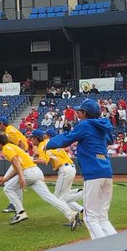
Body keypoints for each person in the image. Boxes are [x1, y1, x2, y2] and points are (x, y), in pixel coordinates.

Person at [47, 98, 117, 239]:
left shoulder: (85, 125)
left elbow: (67, 138)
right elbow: (110, 139)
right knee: (102, 217)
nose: (78, 113)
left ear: (85, 113)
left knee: (90, 218)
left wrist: (50, 143)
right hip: (106, 172)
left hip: (93, 173)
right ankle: (119, 247)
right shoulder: (102, 126)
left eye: (80, 111)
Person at [0, 133, 79, 228]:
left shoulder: (6, 148)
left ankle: (20, 212)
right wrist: (5, 179)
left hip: (28, 172)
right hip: (36, 172)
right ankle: (71, 214)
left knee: (8, 188)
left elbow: (16, 162)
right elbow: (16, 166)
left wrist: (21, 177)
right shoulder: (12, 146)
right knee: (49, 197)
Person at [32, 128, 84, 222]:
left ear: (36, 138)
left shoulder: (43, 144)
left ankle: (83, 194)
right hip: (70, 167)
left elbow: (44, 161)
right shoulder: (52, 142)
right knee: (63, 196)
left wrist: (30, 161)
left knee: (58, 198)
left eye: (32, 138)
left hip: (64, 169)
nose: (31, 140)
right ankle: (81, 209)